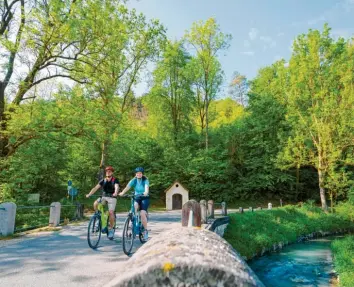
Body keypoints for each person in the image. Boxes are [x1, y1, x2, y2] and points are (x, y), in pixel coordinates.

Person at [86, 166, 119, 239]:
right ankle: (98, 217)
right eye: (107, 171)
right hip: (104, 197)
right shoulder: (103, 180)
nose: (108, 172)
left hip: (112, 198)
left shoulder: (115, 180)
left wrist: (115, 193)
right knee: (95, 203)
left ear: (112, 173)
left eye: (110, 171)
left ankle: (111, 229)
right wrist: (89, 194)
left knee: (111, 212)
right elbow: (95, 188)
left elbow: (116, 187)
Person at [119, 167, 149, 240]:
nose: (139, 174)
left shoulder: (145, 180)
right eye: (137, 173)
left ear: (142, 174)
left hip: (144, 197)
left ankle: (145, 231)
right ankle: (133, 222)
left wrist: (145, 192)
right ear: (135, 174)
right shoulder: (133, 180)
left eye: (140, 173)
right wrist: (122, 193)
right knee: (134, 207)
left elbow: (146, 188)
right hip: (136, 196)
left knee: (142, 213)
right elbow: (127, 187)